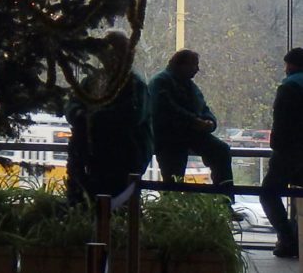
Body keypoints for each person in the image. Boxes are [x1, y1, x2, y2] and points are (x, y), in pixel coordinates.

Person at [65, 31, 153, 203]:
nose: (108, 57)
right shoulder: (92, 80)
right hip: (88, 157)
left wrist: (92, 118)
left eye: (115, 52)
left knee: (118, 203)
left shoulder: (134, 85)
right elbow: (72, 104)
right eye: (105, 52)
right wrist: (80, 115)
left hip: (121, 158)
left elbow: (132, 117)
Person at [149, 49, 233, 195]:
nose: (197, 69)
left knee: (222, 151)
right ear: (181, 65)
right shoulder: (161, 82)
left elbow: (203, 108)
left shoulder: (185, 85)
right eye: (194, 65)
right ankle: (223, 198)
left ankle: (224, 199)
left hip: (189, 134)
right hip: (170, 139)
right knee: (174, 178)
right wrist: (196, 122)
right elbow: (166, 109)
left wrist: (210, 122)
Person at [260, 47, 303, 258]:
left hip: (289, 152)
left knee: (268, 193)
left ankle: (288, 239)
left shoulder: (289, 87)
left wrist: (276, 146)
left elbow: (282, 122)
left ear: (291, 65)